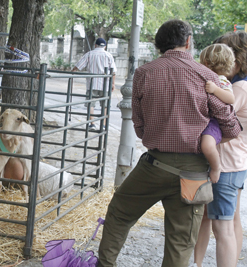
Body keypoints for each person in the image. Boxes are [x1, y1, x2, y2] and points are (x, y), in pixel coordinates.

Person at [97, 19, 242, 267]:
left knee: (119, 214)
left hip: (153, 166)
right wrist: (208, 139)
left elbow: (139, 127)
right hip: (194, 174)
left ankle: (105, 264)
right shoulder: (206, 76)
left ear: (158, 45)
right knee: (180, 242)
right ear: (188, 42)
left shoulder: (144, 73)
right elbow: (230, 125)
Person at [193, 31, 247, 267]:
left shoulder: (239, 89)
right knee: (228, 219)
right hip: (236, 161)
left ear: (236, 58)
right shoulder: (237, 85)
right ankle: (197, 262)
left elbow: (223, 118)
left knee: (222, 226)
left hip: (225, 163)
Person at [199, 44, 235, 183]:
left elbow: (231, 98)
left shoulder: (221, 81)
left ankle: (216, 167)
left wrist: (215, 90)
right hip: (203, 118)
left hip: (213, 123)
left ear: (206, 63)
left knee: (207, 145)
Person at [71, 37, 117, 131]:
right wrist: (113, 83)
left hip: (92, 84)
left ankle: (92, 124)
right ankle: (103, 125)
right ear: (105, 46)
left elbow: (79, 65)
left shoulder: (89, 54)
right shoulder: (108, 55)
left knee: (90, 104)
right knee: (104, 105)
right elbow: (113, 71)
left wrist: (73, 71)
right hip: (105, 84)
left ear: (95, 45)